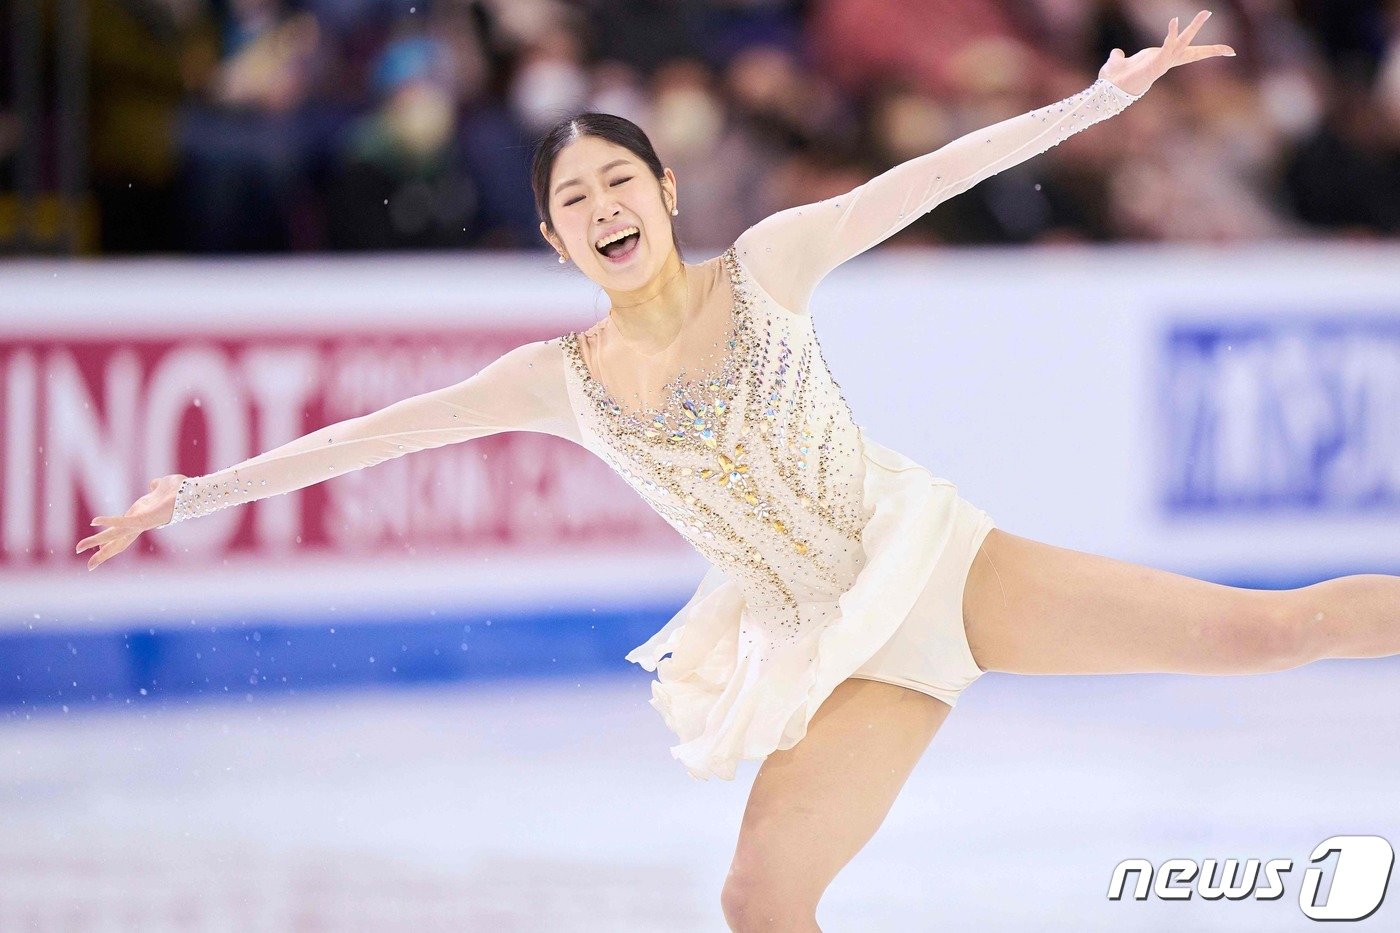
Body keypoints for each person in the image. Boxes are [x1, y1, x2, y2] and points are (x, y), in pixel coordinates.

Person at [78, 12, 1397, 930]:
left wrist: (1100, 99)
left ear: (662, 184)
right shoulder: (558, 378)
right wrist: (185, 497)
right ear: (554, 238)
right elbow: (366, 434)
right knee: (760, 902)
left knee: (1266, 629)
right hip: (827, 652)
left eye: (617, 181)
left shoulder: (768, 264)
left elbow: (933, 172)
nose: (604, 209)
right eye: (574, 201)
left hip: (939, 568)